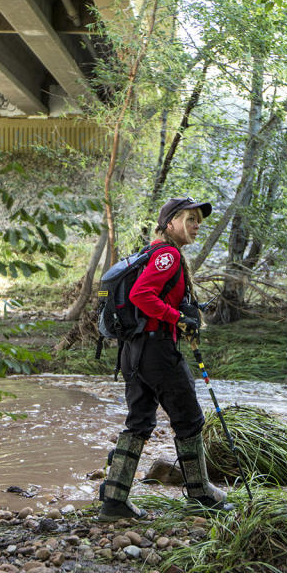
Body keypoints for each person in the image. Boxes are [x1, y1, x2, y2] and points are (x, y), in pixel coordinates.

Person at [98, 197, 231, 521]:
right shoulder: (167, 255)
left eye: (198, 220)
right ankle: (200, 494)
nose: (196, 226)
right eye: (190, 219)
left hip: (132, 352)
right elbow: (140, 295)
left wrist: (178, 318)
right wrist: (178, 319)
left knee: (139, 421)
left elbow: (148, 298)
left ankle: (114, 501)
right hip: (157, 352)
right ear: (170, 223)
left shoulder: (150, 252)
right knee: (190, 419)